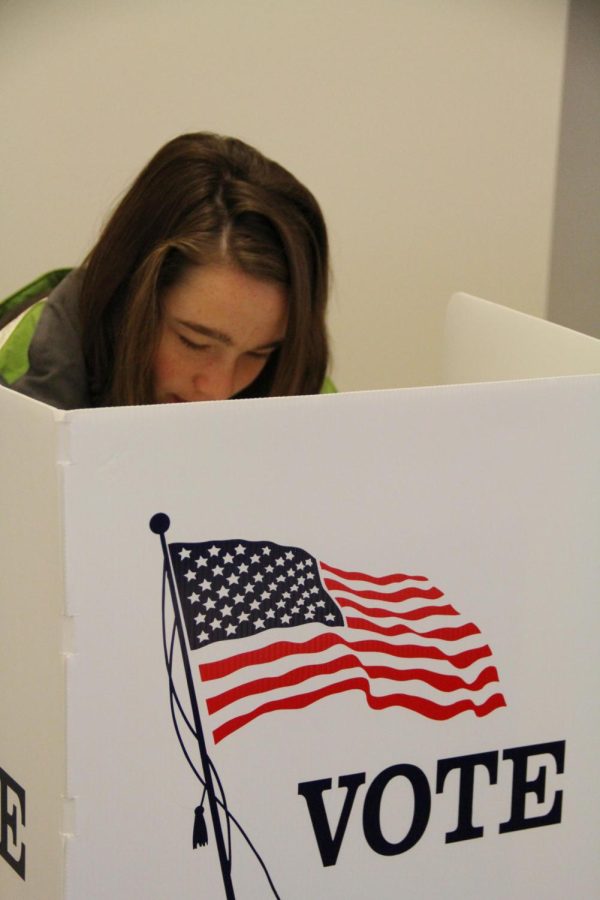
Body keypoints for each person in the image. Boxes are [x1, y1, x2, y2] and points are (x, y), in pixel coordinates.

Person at [0, 132, 334, 409]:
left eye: (259, 352)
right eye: (193, 342)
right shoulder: (22, 368)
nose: (217, 390)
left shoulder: (296, 372)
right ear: (126, 295)